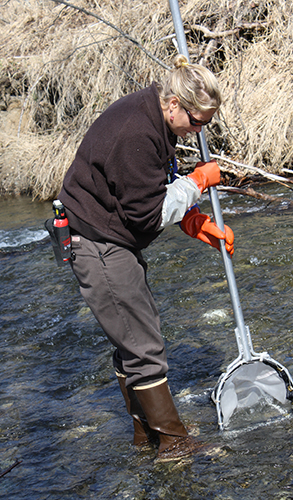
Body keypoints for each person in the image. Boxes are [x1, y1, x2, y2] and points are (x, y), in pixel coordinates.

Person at [57, 54, 234, 461]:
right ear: (173, 104)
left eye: (206, 123)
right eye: (196, 120)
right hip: (98, 244)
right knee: (143, 346)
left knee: (132, 339)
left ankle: (145, 439)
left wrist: (192, 220)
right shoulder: (137, 131)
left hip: (110, 237)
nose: (198, 131)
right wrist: (195, 184)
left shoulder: (153, 118)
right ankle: (174, 444)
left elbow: (148, 187)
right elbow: (149, 213)